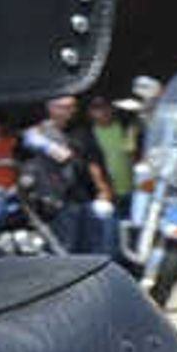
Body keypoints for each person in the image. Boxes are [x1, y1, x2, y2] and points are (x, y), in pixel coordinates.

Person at [16, 93, 114, 254]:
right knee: (64, 247)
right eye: (64, 107)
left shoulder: (80, 132)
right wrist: (48, 147)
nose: (71, 111)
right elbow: (25, 143)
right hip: (54, 200)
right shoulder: (38, 134)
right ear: (51, 109)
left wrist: (102, 188)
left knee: (89, 244)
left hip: (81, 196)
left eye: (72, 107)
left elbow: (92, 162)